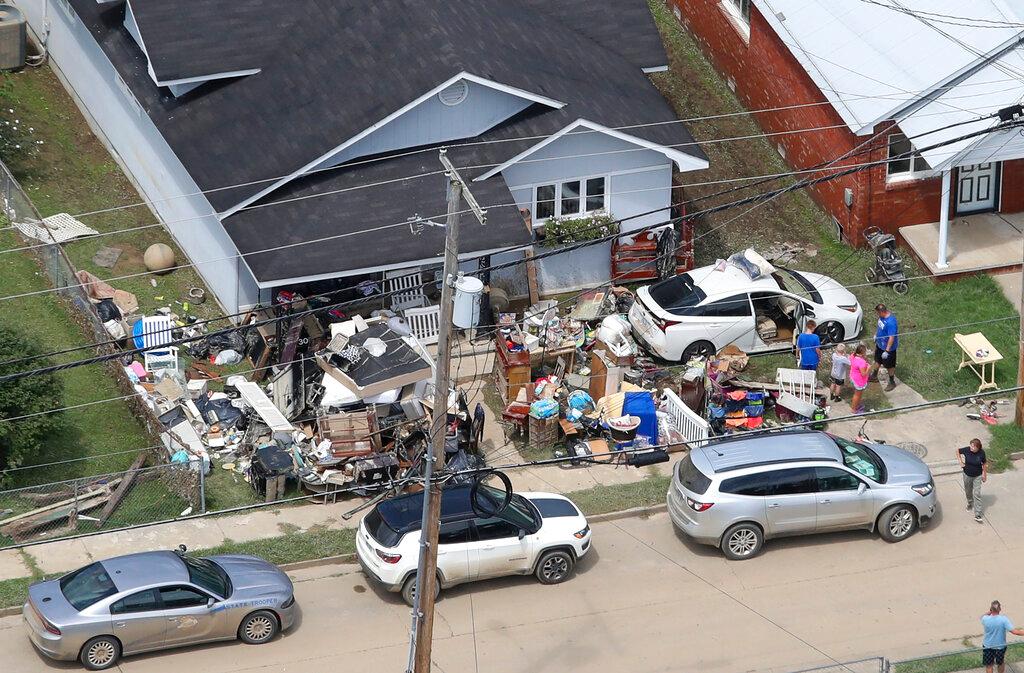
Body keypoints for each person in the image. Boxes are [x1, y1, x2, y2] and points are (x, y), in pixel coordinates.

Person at [981, 600, 1024, 673]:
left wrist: (990, 611)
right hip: (1000, 647)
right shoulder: (1003, 619)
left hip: (987, 646)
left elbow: (983, 616)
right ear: (1000, 609)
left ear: (991, 609)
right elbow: (1015, 632)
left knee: (989, 665)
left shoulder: (985, 619)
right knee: (1000, 663)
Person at [869, 303, 899, 391]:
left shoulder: (891, 322)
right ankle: (874, 376)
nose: (877, 315)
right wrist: (876, 335)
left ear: (882, 312)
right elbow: (880, 327)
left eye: (878, 313)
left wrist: (887, 351)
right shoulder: (881, 317)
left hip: (888, 348)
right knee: (877, 360)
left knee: (889, 366)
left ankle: (892, 382)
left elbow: (891, 337)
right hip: (880, 345)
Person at [958, 438, 988, 523]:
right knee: (968, 491)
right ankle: (970, 503)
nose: (971, 447)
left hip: (977, 476)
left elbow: (984, 463)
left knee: (977, 493)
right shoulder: (967, 450)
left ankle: (977, 514)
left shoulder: (981, 453)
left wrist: (984, 474)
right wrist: (960, 461)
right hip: (967, 475)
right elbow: (957, 451)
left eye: (973, 446)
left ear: (978, 447)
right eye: (971, 445)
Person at [849, 343, 870, 414]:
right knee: (857, 395)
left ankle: (856, 405)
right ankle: (854, 409)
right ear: (863, 353)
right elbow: (863, 374)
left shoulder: (852, 355)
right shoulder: (862, 362)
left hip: (853, 376)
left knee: (857, 394)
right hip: (859, 380)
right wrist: (868, 368)